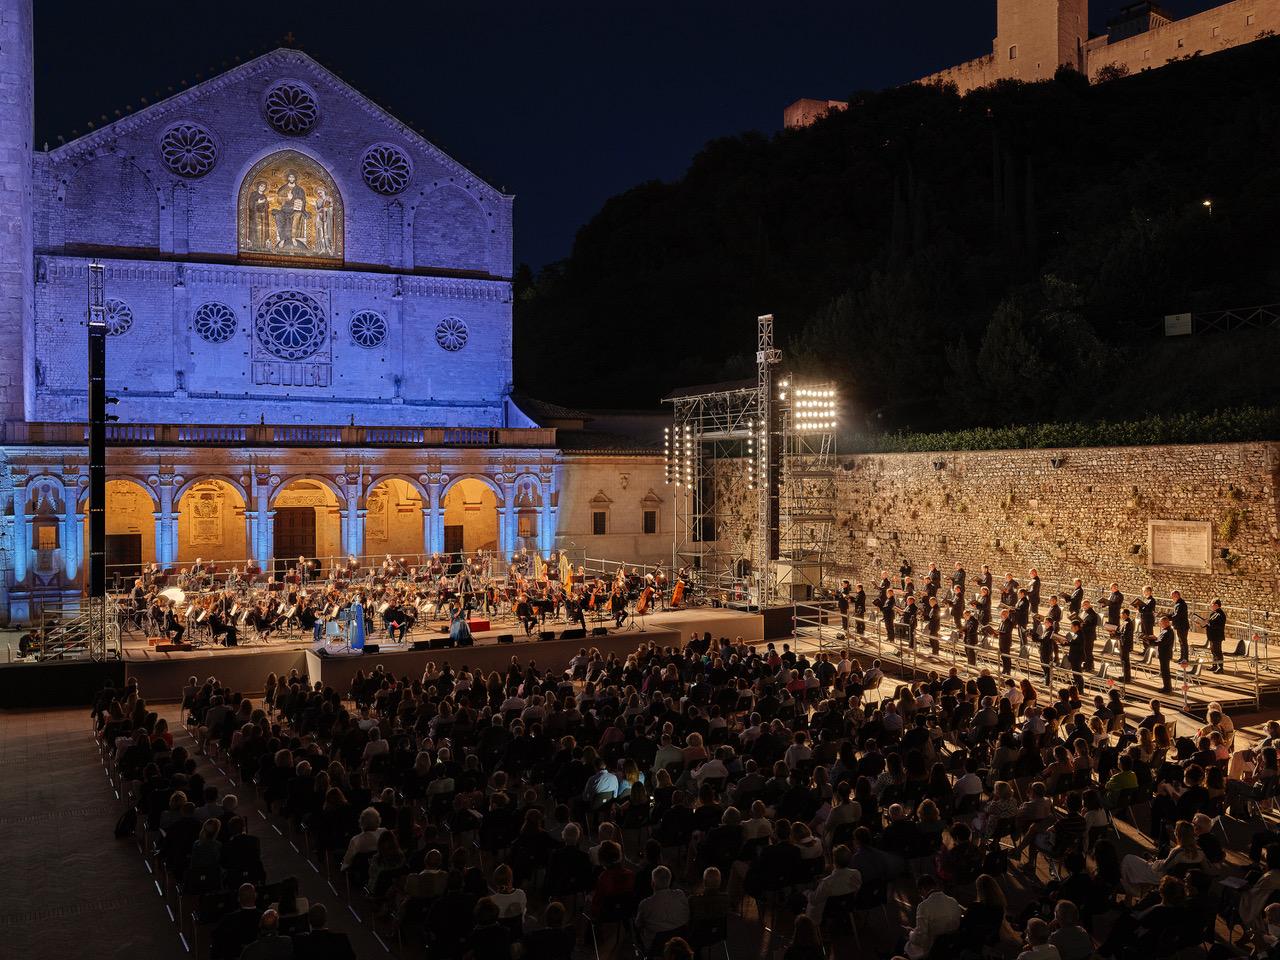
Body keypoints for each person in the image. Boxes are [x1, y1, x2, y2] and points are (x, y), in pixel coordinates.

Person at [904, 874, 962, 960]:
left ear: (922, 889)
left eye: (920, 893)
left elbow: (921, 937)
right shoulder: (953, 901)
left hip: (934, 948)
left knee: (903, 943)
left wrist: (910, 933)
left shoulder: (923, 906)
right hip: (952, 945)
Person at [634, 865, 689, 954]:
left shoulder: (645, 904)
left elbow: (638, 924)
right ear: (670, 881)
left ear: (652, 883)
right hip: (681, 941)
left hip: (656, 946)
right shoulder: (680, 895)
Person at [804, 843, 861, 923]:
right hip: (848, 907)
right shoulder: (856, 873)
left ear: (834, 861)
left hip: (829, 911)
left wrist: (807, 892)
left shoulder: (827, 882)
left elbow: (814, 900)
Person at [1205, 599, 1227, 673]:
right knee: (1213, 651)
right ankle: (1214, 665)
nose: (1211, 605)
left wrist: (1208, 623)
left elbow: (1217, 625)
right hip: (1212, 636)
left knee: (1218, 652)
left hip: (1217, 636)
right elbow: (1209, 622)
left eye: (1212, 604)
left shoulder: (1220, 614)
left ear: (1216, 605)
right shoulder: (1213, 613)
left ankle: (1220, 667)